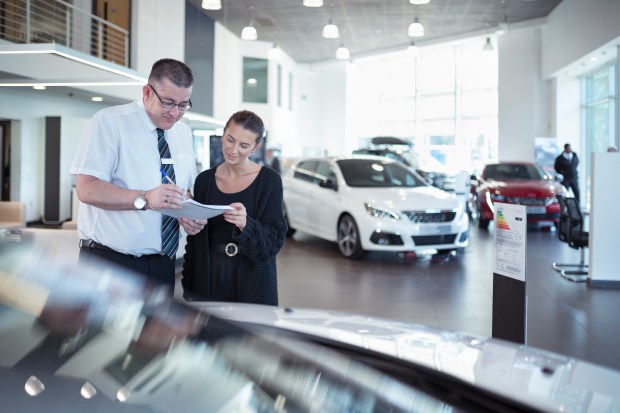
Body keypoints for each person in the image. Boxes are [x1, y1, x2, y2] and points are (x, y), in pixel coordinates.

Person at [70, 58, 207, 290]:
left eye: (183, 105)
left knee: (156, 328)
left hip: (164, 262)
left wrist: (189, 213)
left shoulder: (182, 133)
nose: (175, 113)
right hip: (111, 261)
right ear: (147, 92)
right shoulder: (109, 123)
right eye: (168, 102)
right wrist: (146, 198)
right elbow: (87, 188)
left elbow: (183, 190)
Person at [181, 110, 287, 305]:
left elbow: (274, 240)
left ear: (256, 147)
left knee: (247, 333)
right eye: (230, 139)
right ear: (223, 134)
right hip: (209, 276)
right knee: (208, 333)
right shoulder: (204, 180)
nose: (233, 149)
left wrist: (246, 225)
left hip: (251, 277)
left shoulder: (269, 181)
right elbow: (196, 241)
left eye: (244, 145)